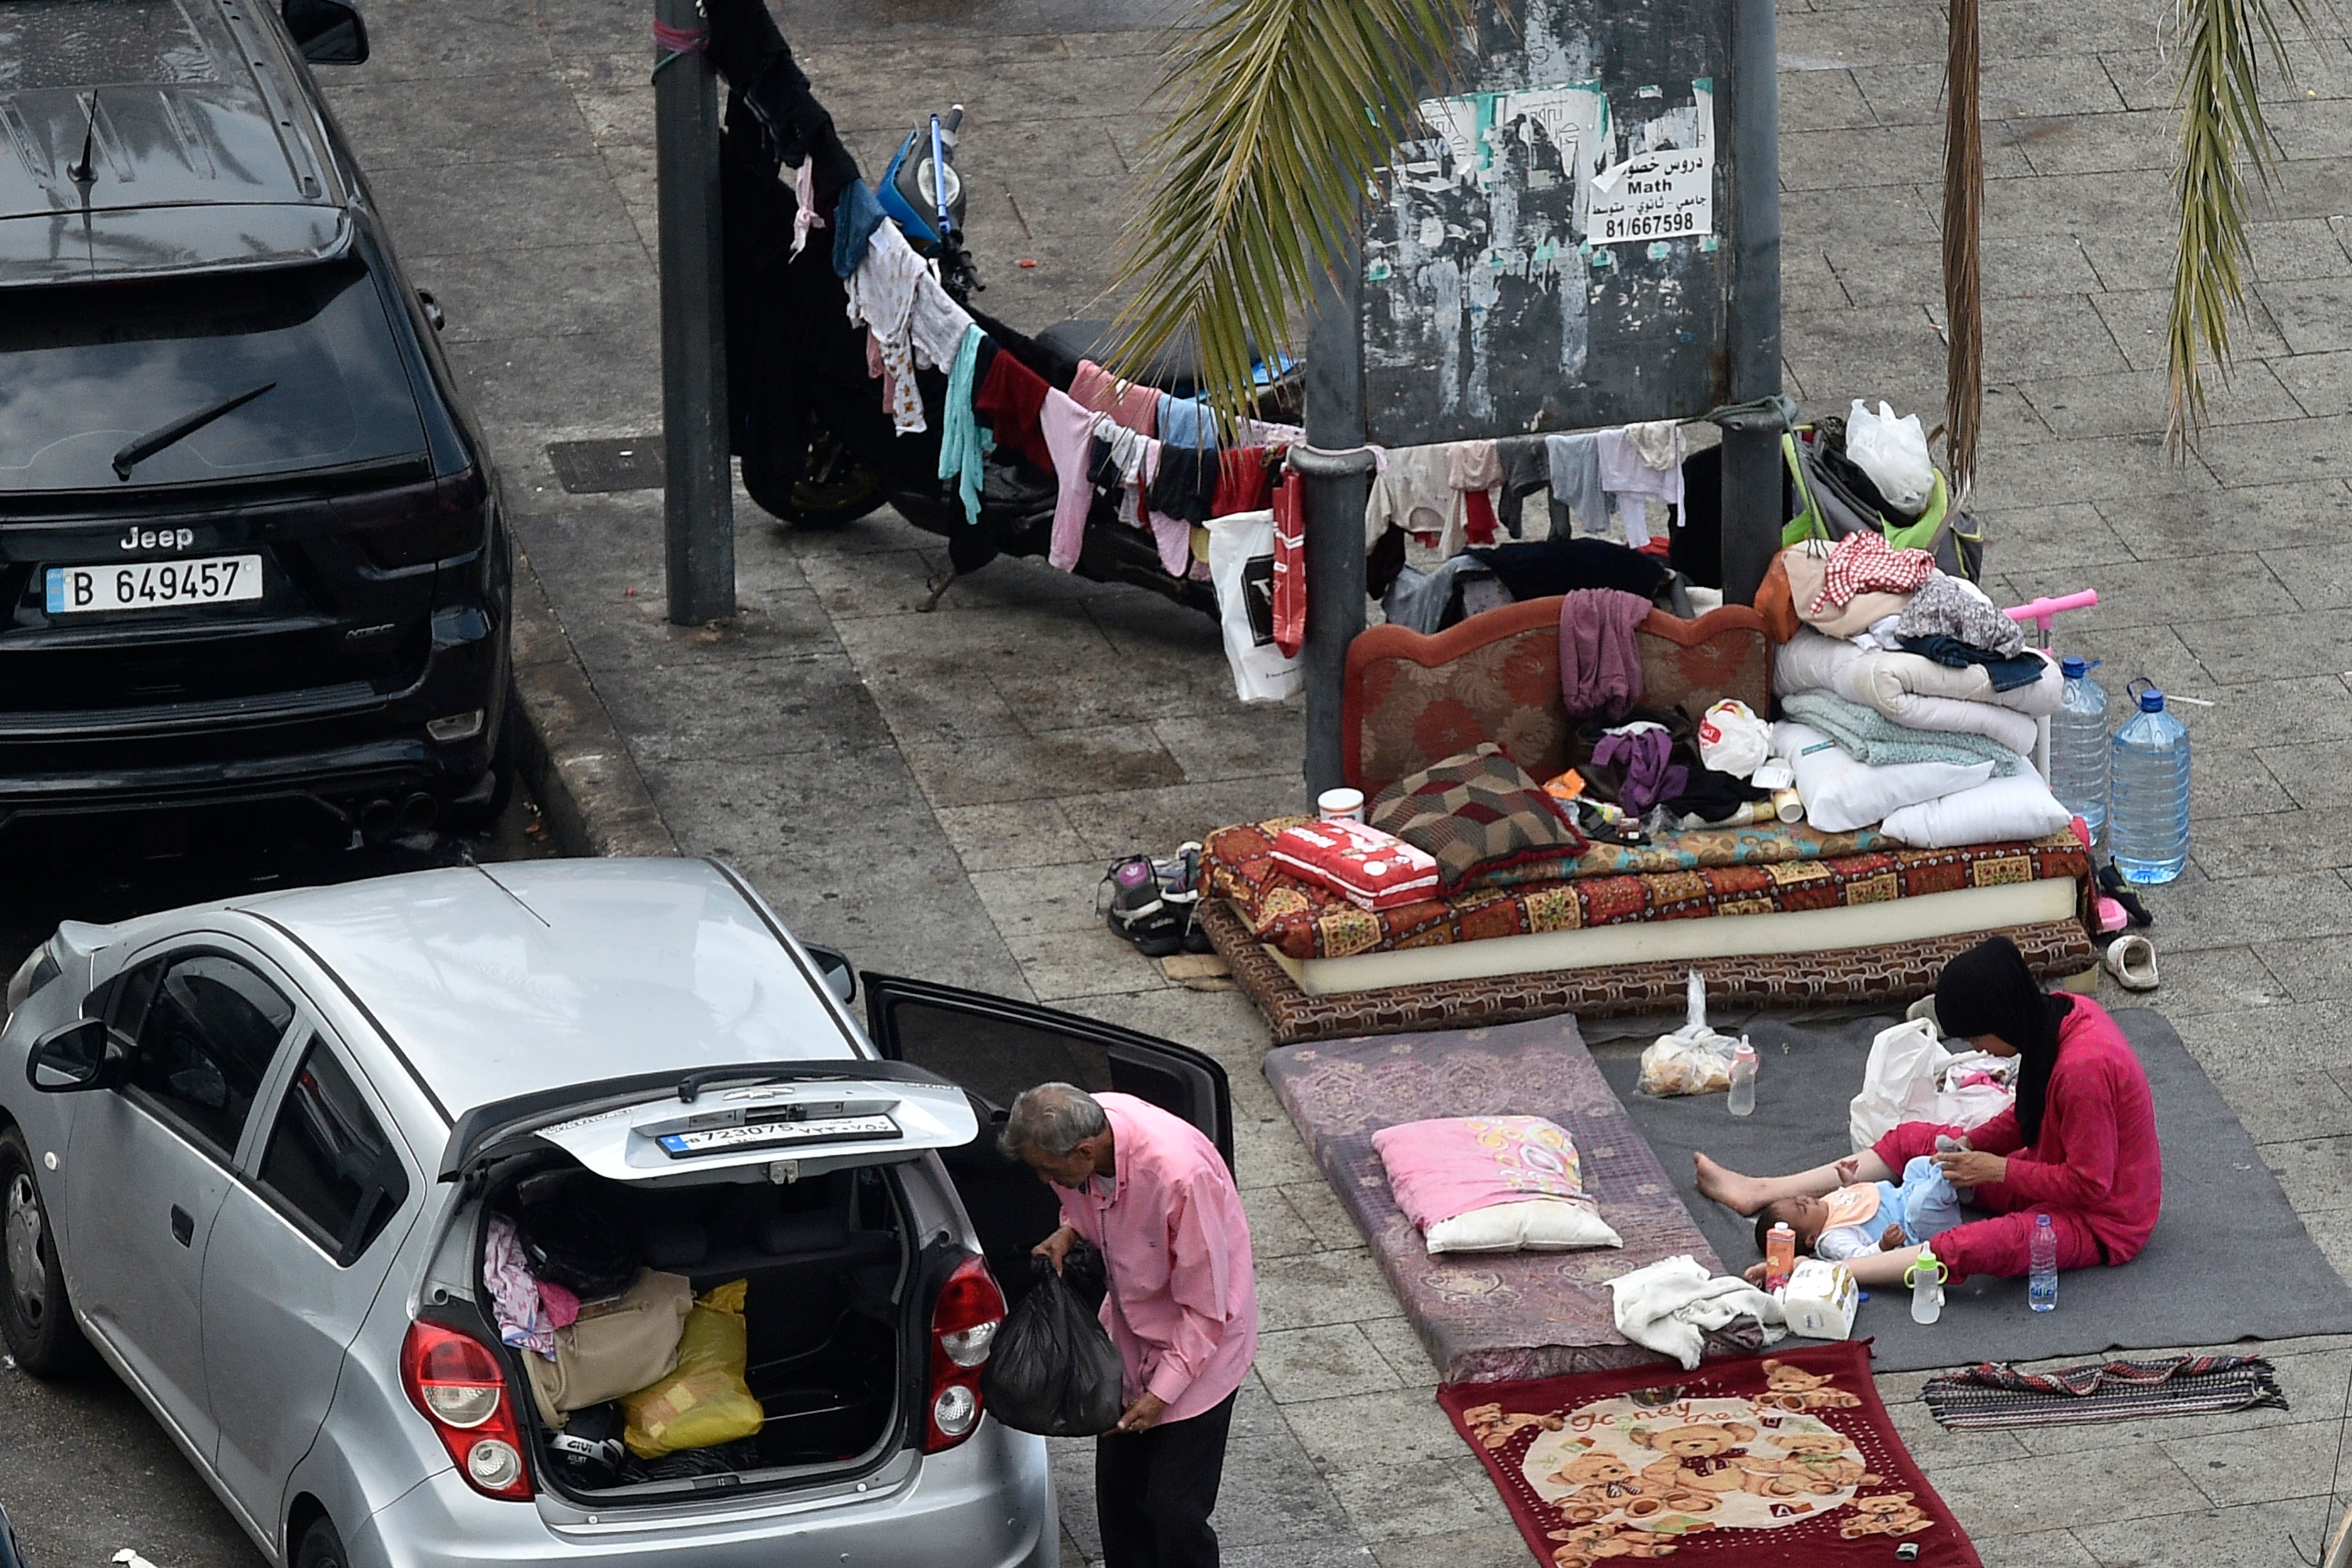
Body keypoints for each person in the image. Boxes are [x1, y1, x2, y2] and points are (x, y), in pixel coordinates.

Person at [1694, 935, 2161, 1290]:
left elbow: (2090, 1185)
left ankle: (1834, 1271)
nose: (1978, 1049)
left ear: (2002, 1018)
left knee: (1981, 1244)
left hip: (2103, 1220)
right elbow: (2025, 1116)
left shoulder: (2082, 1069)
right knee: (1915, 1140)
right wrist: (1971, 1145)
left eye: (1976, 1037)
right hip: (2050, 1164)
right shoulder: (2055, 1017)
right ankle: (1763, 1190)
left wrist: (1996, 1170)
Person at [1003, 1082, 1257, 1568]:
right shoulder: (1082, 1138)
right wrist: (1069, 1229)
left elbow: (1207, 1311)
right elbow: (1086, 1200)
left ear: (1085, 1151)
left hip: (1200, 1354)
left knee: (1175, 1510)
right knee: (1121, 1501)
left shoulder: (1179, 1177)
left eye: (1049, 1170)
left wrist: (1160, 1394)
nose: (1043, 1179)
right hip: (1129, 1335)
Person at [1750, 1154, 1964, 1271]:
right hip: (1917, 1225)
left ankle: (1952, 1181)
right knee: (1921, 1204)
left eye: (1798, 1199)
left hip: (1904, 1194)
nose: (1805, 1199)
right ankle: (1949, 1175)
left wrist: (1851, 1184)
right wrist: (1884, 1245)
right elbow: (1859, 1259)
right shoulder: (1832, 1239)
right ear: (1812, 1238)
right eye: (1803, 1208)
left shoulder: (1825, 1207)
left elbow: (1853, 1202)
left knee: (1914, 1166)